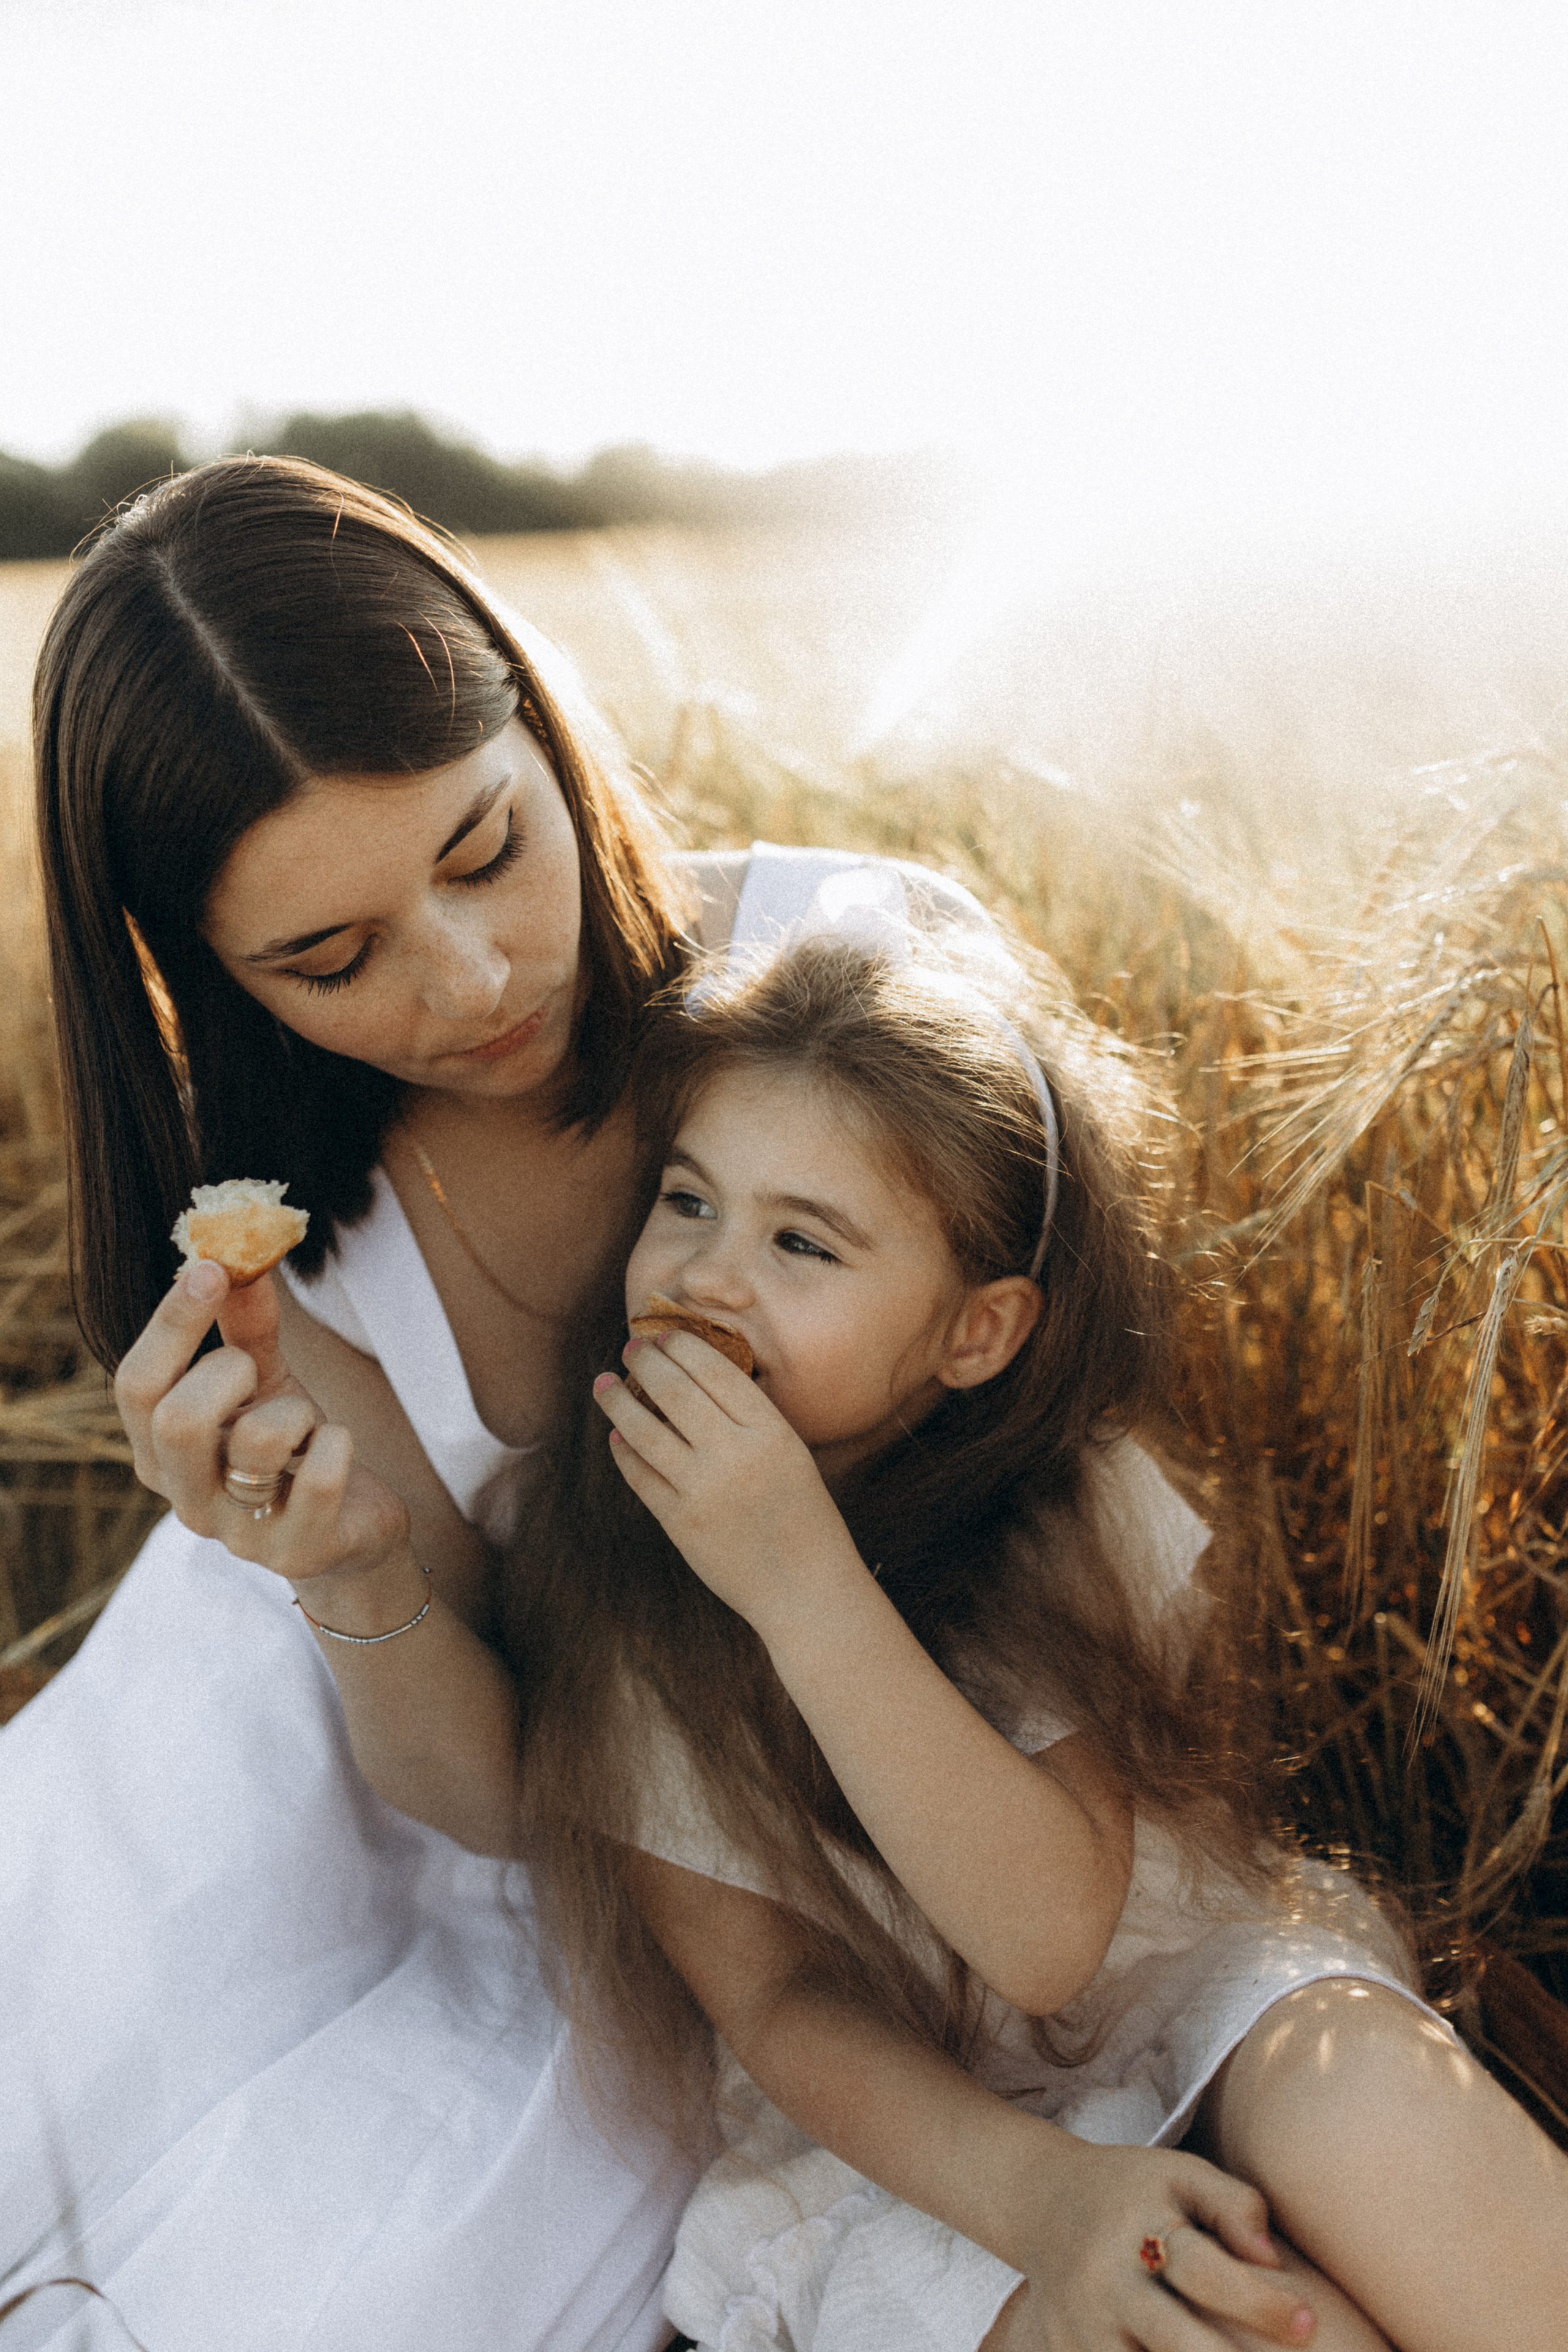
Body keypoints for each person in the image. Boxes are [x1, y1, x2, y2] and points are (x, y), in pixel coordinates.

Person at [150, 922, 1568, 2351]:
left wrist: (799, 1578)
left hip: (1175, 1989)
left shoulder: (1059, 1502)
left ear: (974, 1334)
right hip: (922, 2153)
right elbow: (774, 1999)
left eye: (801, 1242)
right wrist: (1052, 2206)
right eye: (688, 1203)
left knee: (1368, 2111)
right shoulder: (620, 1576)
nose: (705, 1275)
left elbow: (1047, 1940)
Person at [4, 452, 991, 2352]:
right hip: (360, 1736)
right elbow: (493, 1798)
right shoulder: (307, 1251)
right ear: (196, 972)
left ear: (541, 721)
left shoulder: (858, 955)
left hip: (720, 1839)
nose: (469, 982)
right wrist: (342, 1560)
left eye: (485, 850)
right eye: (330, 959)